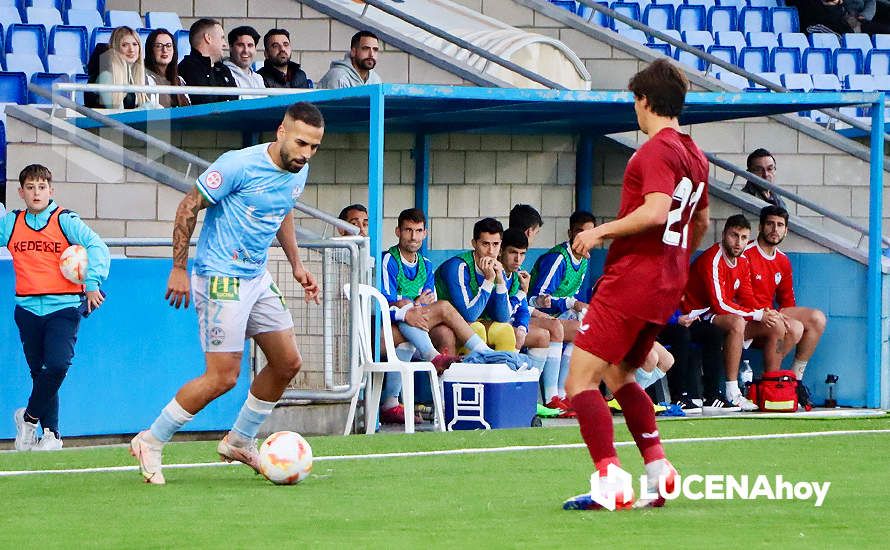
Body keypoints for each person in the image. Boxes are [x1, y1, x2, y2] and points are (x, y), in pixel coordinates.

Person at [129, 102, 324, 485]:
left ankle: (239, 440)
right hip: (220, 277)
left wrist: (297, 265)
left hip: (257, 277)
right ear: (281, 132)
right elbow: (189, 205)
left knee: (287, 363)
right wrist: (179, 268)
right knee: (223, 377)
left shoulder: (298, 170)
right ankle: (151, 440)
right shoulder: (238, 164)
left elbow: (283, 209)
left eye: (314, 147)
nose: (306, 153)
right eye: (301, 143)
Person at [562, 59, 710, 511]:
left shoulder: (655, 151)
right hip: (664, 284)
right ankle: (658, 469)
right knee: (619, 373)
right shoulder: (696, 155)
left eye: (635, 101)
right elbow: (699, 221)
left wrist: (598, 231)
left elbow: (656, 210)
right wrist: (676, 266)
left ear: (645, 101)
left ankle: (609, 478)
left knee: (579, 383)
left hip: (631, 282)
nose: (635, 109)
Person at [3, 164, 110, 451]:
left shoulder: (65, 220)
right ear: (21, 192)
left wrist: (92, 283)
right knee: (40, 373)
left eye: (42, 187)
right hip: (26, 309)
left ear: (51, 190)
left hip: (63, 306)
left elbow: (97, 246)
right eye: (30, 187)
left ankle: (28, 419)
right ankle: (51, 434)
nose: (36, 192)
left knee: (58, 365)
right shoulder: (11, 223)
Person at [682, 215, 803, 412]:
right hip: (696, 315)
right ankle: (733, 390)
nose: (738, 243)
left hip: (718, 315)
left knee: (778, 325)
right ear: (723, 235)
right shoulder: (712, 259)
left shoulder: (743, 259)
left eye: (744, 238)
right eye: (734, 236)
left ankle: (769, 387)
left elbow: (747, 296)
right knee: (737, 323)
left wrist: (767, 312)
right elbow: (719, 304)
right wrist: (756, 315)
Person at [745, 205, 826, 409]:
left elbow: (788, 302)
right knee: (792, 327)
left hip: (771, 316)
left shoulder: (782, 260)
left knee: (817, 319)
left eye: (780, 225)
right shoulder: (746, 254)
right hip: (748, 318)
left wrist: (784, 318)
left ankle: (795, 380)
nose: (775, 229)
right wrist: (765, 313)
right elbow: (738, 297)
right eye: (770, 224)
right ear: (761, 227)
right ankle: (771, 385)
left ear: (786, 230)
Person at [434, 218, 514, 351]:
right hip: (443, 324)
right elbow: (469, 314)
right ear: (474, 244)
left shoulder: (497, 268)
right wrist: (489, 281)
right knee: (477, 330)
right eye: (485, 244)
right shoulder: (458, 267)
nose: (490, 251)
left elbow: (503, 317)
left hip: (474, 321)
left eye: (495, 244)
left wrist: (500, 279)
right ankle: (471, 372)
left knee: (505, 332)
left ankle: (504, 371)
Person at [178, 18, 236, 105]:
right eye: (222, 38)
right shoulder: (187, 69)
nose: (225, 44)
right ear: (208, 38)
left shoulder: (223, 70)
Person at [96, 26, 153, 109]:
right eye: (125, 45)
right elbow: (113, 116)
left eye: (135, 44)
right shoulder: (106, 76)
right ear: (115, 49)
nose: (131, 50)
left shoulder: (135, 76)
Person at [318, 31, 382, 89]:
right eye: (365, 49)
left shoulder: (375, 79)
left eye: (375, 50)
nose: (371, 54)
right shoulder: (339, 77)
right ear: (353, 52)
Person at [144, 29, 191, 108]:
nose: (164, 50)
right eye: (159, 46)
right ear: (150, 49)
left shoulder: (180, 81)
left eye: (168, 45)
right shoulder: (144, 78)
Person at [222, 26, 266, 95]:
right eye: (240, 45)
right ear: (230, 47)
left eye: (250, 45)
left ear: (255, 49)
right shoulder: (223, 75)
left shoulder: (258, 78)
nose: (246, 50)